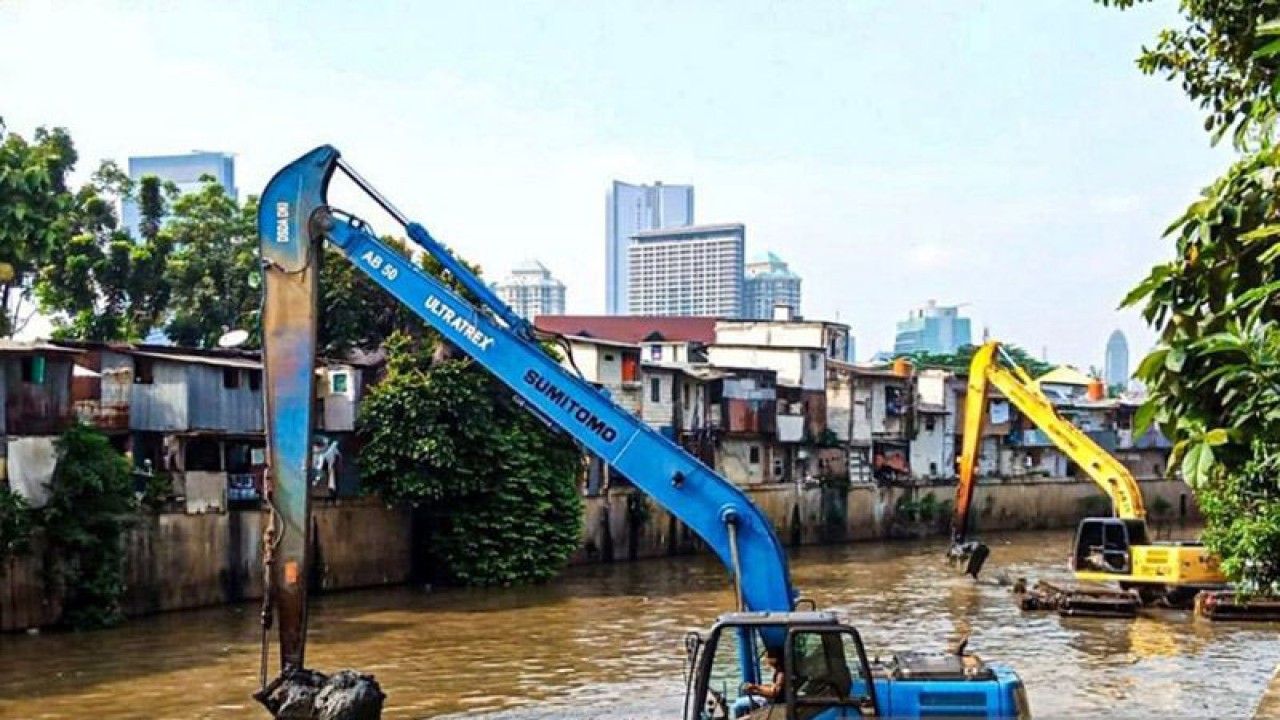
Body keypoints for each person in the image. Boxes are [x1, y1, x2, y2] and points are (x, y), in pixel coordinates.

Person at [732, 649, 786, 718]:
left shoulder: (781, 674)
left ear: (775, 659)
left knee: (737, 705)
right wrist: (757, 687)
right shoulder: (777, 671)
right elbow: (772, 687)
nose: (766, 660)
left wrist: (756, 688)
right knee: (741, 696)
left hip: (772, 702)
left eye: (768, 658)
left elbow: (774, 692)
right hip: (770, 699)